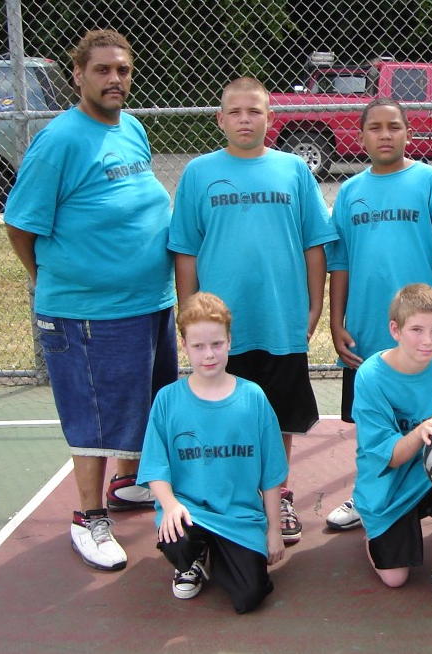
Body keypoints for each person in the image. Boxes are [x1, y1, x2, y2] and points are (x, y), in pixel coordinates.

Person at [4, 29, 177, 571]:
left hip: (148, 301)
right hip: (88, 312)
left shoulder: (132, 128)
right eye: (102, 70)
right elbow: (19, 224)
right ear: (78, 75)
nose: (114, 79)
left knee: (141, 404)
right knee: (95, 419)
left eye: (122, 69)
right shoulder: (59, 141)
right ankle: (88, 517)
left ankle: (127, 484)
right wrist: (52, 279)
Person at [168, 77, 337, 546]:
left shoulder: (293, 170)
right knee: (224, 414)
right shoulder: (199, 173)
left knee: (279, 417)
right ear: (220, 119)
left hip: (280, 319)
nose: (245, 120)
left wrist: (315, 304)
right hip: (220, 329)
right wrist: (189, 313)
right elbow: (185, 250)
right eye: (236, 112)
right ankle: (233, 499)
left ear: (270, 118)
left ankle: (278, 495)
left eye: (255, 111)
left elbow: (314, 243)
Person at [323, 98, 432, 531]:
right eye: (375, 128)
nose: (385, 135)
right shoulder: (350, 192)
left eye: (394, 126)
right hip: (369, 331)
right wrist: (336, 322)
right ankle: (368, 494)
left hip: (421, 333)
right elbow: (340, 264)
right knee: (372, 423)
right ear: (361, 136)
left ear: (408, 132)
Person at [137, 293, 286, 613]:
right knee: (178, 538)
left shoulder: (253, 397)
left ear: (229, 341)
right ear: (184, 345)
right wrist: (170, 504)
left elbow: (272, 473)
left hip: (239, 516)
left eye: (217, 344)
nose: (209, 354)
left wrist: (274, 530)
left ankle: (217, 553)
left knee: (250, 597)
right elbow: (155, 467)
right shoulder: (167, 400)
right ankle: (189, 560)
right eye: (198, 346)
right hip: (189, 510)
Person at [352, 283, 432, 624]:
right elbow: (390, 457)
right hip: (389, 482)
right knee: (395, 578)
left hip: (430, 474)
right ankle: (371, 521)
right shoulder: (370, 376)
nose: (428, 341)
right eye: (416, 330)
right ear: (395, 330)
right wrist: (421, 431)